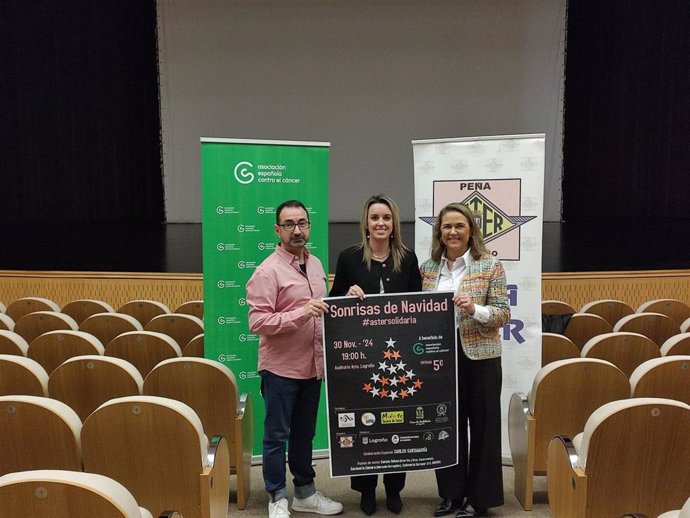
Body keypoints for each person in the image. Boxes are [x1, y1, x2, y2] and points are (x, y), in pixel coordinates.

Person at [246, 200, 343, 518]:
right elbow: (257, 322)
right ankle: (276, 496)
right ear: (277, 229)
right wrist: (300, 314)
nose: (297, 229)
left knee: (305, 434)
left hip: (313, 366)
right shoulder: (267, 271)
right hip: (280, 369)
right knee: (276, 436)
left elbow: (323, 310)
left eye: (302, 223)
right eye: (289, 224)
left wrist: (348, 300)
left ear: (309, 226)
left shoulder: (315, 264)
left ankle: (305, 492)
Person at [329, 194, 422, 515]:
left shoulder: (408, 259)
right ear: (365, 224)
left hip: (400, 360)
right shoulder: (349, 258)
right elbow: (332, 302)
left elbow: (419, 306)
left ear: (394, 223)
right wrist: (345, 293)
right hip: (363, 360)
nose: (380, 223)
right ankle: (366, 491)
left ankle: (394, 489)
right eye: (374, 218)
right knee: (365, 426)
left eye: (386, 218)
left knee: (398, 425)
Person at [419, 202, 510, 518]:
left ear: (471, 230)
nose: (453, 231)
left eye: (459, 225)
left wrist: (474, 309)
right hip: (440, 358)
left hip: (481, 358)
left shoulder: (490, 266)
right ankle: (452, 496)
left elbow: (502, 314)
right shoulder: (428, 269)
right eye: (447, 226)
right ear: (439, 233)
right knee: (446, 425)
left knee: (483, 427)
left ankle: (479, 500)